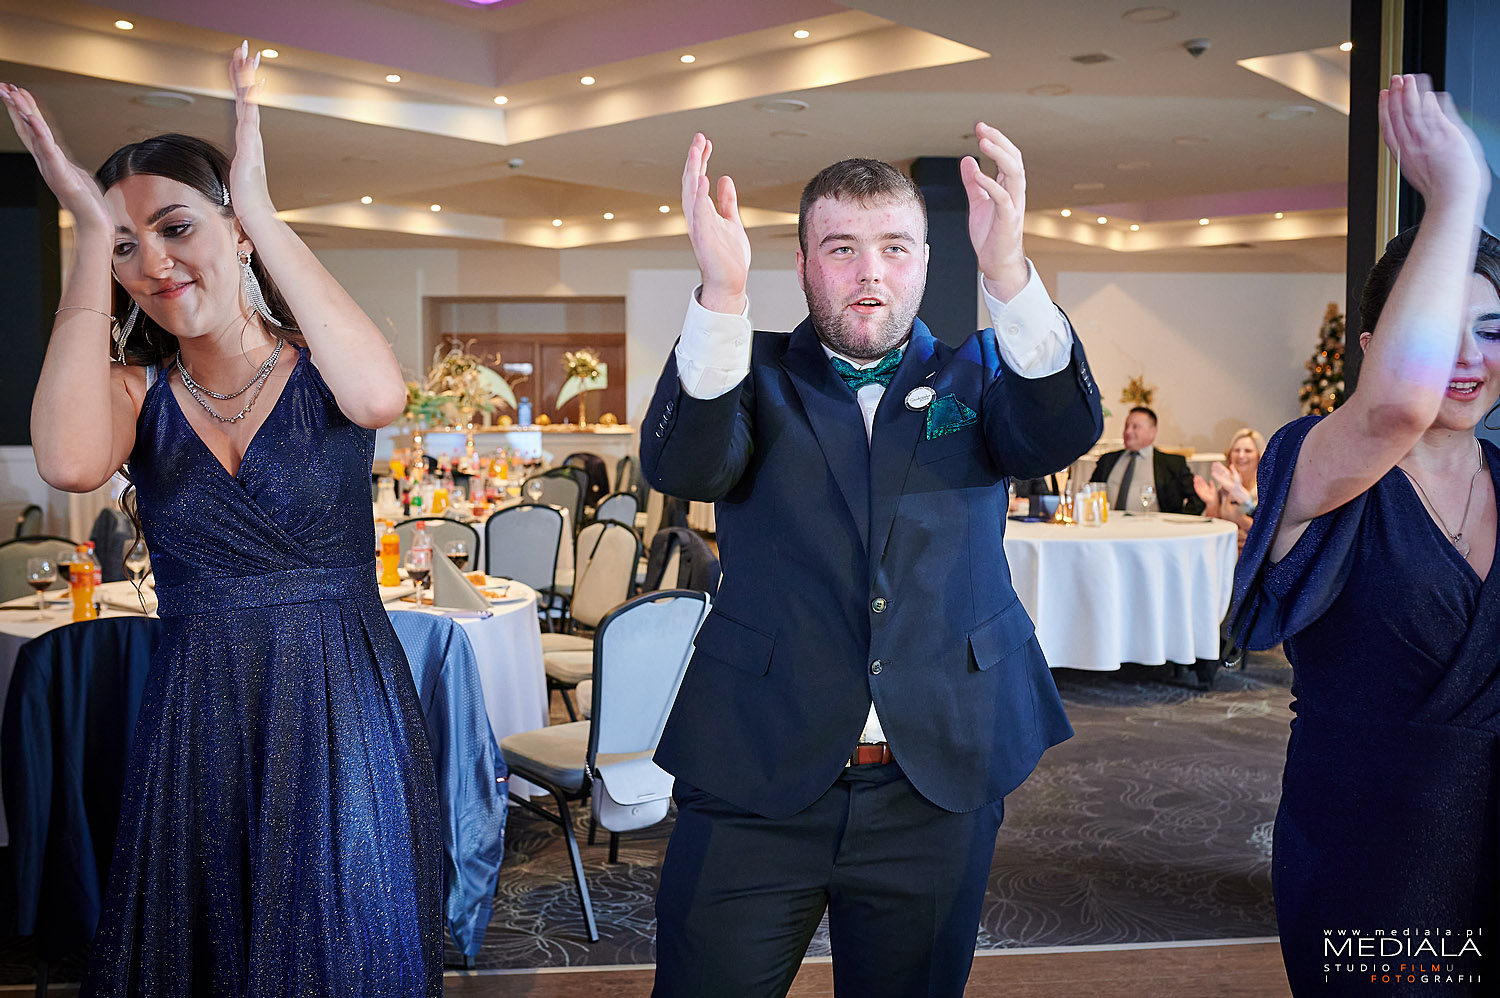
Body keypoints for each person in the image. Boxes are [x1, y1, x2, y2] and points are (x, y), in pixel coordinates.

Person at [2, 45, 442, 996]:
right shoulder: (134, 392)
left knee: (344, 944)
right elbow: (69, 462)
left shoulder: (322, 366)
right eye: (127, 246)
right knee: (204, 951)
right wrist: (87, 237)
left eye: (176, 227)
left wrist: (262, 209)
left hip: (342, 703)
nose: (154, 262)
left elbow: (379, 398)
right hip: (199, 708)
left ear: (236, 233)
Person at [640, 123, 1102, 996]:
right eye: (841, 248)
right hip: (755, 768)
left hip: (938, 775)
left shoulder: (982, 373)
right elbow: (686, 468)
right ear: (804, 265)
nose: (870, 272)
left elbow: (1061, 431)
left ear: (925, 261)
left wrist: (1009, 271)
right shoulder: (749, 373)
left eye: (894, 247)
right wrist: (722, 293)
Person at [1229, 75, 1499, 995]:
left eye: (1492, 329)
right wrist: (1457, 197)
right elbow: (1395, 411)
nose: (1469, 356)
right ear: (1376, 344)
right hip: (1372, 848)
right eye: (1442, 328)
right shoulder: (1317, 463)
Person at [1089, 405, 1204, 514]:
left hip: (1154, 527)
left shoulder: (1172, 464)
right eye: (1126, 426)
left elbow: (1198, 499)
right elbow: (1089, 492)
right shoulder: (1107, 460)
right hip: (1110, 525)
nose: (1128, 431)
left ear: (1153, 432)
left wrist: (1176, 523)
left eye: (1135, 427)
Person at [1193, 427, 1265, 550]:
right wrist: (1212, 504)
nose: (1241, 455)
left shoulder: (1265, 489)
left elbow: (1267, 532)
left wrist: (1239, 519)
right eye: (1236, 450)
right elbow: (1211, 529)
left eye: (1248, 451)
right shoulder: (1224, 487)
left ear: (1259, 456)